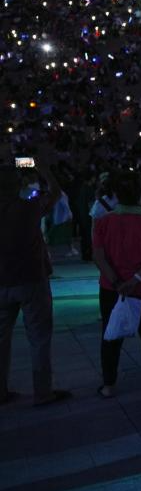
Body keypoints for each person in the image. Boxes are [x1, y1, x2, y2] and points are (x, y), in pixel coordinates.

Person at [92, 171, 141, 398]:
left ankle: (109, 385)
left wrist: (118, 282)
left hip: (111, 288)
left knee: (111, 335)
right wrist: (135, 279)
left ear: (116, 194)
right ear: (139, 194)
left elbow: (98, 257)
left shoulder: (103, 222)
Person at [0, 164, 71, 406]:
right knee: (39, 338)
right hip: (31, 278)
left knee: (1, 339)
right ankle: (42, 392)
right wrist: (43, 167)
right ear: (16, 185)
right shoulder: (28, 208)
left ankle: (1, 392)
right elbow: (55, 193)